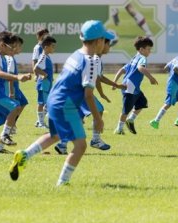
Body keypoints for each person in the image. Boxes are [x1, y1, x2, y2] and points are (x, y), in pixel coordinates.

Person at [9, 20, 114, 186]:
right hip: (66, 105)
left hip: (54, 100)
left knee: (55, 136)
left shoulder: (77, 54)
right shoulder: (91, 61)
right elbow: (88, 94)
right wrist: (98, 118)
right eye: (105, 40)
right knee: (80, 145)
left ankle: (24, 155)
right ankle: (62, 183)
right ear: (99, 41)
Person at [0, 31, 31, 154]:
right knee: (15, 107)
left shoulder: (4, 57)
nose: (13, 50)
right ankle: (6, 135)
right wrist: (17, 77)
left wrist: (21, 77)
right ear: (2, 45)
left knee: (13, 112)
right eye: (12, 47)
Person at [112, 36, 157, 135]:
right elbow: (141, 68)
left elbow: (122, 70)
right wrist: (151, 78)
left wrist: (114, 82)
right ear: (141, 49)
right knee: (126, 110)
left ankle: (131, 120)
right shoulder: (142, 58)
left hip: (134, 88)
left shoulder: (134, 58)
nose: (150, 51)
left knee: (142, 102)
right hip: (130, 88)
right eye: (148, 49)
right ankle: (119, 129)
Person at [150, 41, 178, 130]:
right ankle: (155, 121)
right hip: (174, 84)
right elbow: (175, 69)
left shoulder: (177, 58)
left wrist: (173, 75)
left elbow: (166, 67)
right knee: (168, 103)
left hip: (176, 84)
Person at [2, 34, 29, 148]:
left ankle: (12, 124)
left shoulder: (11, 58)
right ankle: (9, 126)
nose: (20, 49)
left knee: (23, 103)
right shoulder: (10, 59)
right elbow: (10, 76)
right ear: (14, 46)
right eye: (19, 46)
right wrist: (11, 93)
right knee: (15, 107)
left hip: (16, 86)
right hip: (12, 87)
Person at [33, 35, 57, 136]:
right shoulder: (43, 57)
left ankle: (41, 121)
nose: (54, 48)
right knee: (43, 103)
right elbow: (35, 68)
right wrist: (45, 74)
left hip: (46, 84)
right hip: (43, 84)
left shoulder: (46, 56)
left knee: (44, 103)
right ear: (46, 47)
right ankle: (41, 122)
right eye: (52, 46)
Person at [31, 28, 50, 128]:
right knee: (42, 101)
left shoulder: (45, 48)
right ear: (40, 36)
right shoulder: (37, 48)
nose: (47, 37)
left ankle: (40, 120)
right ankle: (40, 121)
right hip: (42, 79)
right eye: (45, 35)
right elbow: (34, 61)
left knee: (48, 100)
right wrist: (37, 74)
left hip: (47, 79)